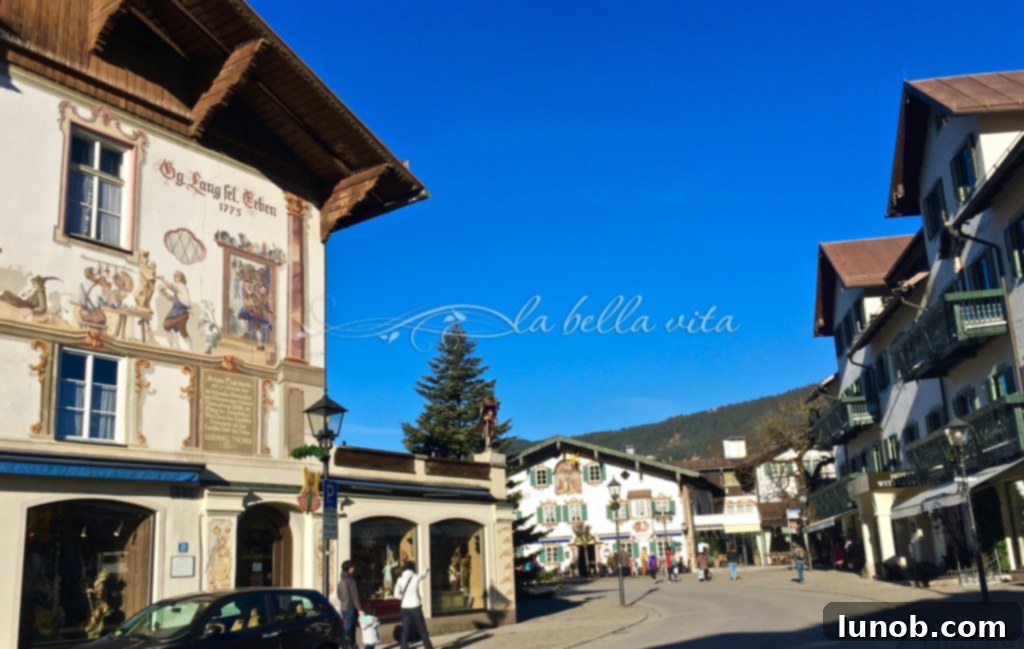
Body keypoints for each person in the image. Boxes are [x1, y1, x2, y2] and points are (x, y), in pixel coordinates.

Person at [394, 561, 433, 649]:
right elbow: (423, 574)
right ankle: (428, 647)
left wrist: (403, 598)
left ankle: (404, 647)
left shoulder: (399, 580)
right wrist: (426, 569)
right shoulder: (415, 577)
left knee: (405, 630)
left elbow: (396, 595)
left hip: (404, 607)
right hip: (416, 606)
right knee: (422, 629)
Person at [336, 560, 362, 649]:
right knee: (349, 630)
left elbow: (339, 595)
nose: (354, 569)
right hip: (350, 607)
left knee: (349, 629)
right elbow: (355, 596)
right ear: (349, 568)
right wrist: (360, 609)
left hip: (343, 608)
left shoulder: (340, 581)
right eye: (352, 567)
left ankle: (353, 646)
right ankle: (346, 645)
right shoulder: (351, 581)